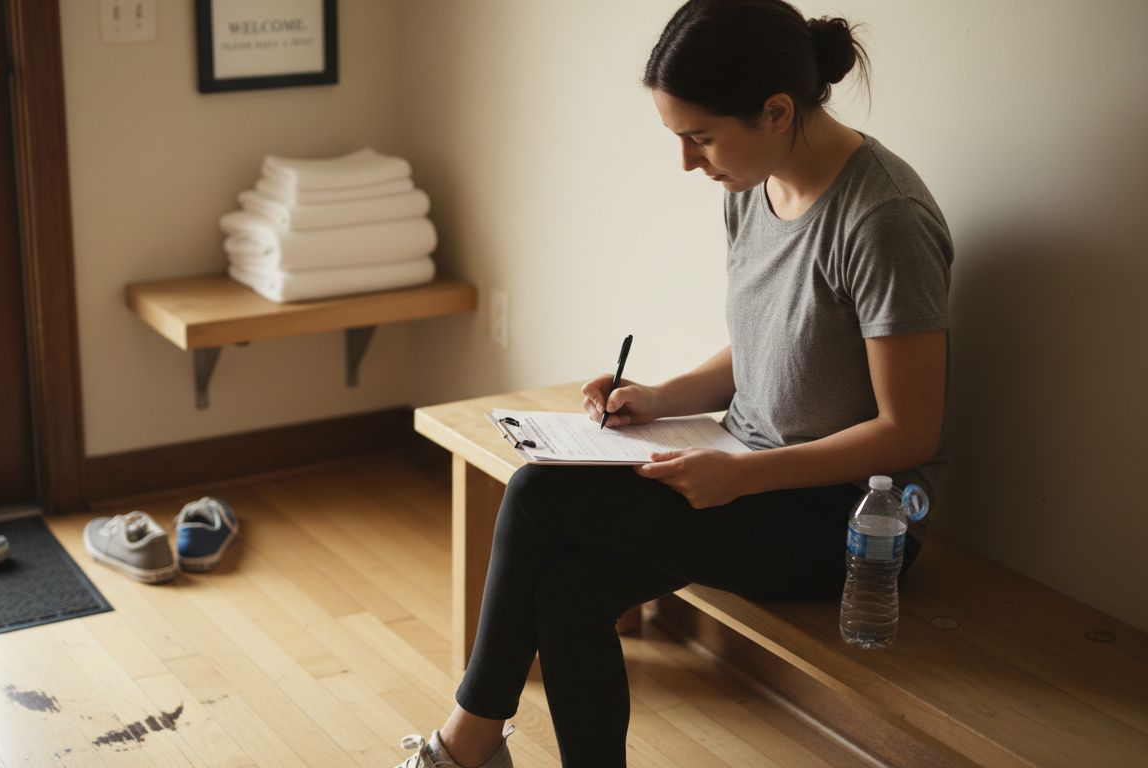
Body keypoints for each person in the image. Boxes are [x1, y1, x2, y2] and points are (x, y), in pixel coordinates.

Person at [393, 0, 951, 766]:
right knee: (569, 590)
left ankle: (466, 746)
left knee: (536, 494)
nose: (689, 163)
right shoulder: (753, 185)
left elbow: (910, 430)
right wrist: (661, 398)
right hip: (742, 478)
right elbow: (767, 348)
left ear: (777, 110)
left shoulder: (882, 218)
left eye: (700, 137)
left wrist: (741, 474)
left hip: (848, 524)